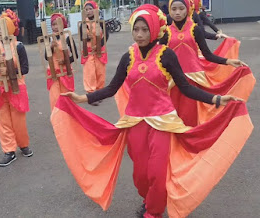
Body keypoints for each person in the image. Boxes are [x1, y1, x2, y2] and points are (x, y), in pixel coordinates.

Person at [50, 4, 253, 218]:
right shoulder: (128, 57)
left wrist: (217, 98)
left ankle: (153, 212)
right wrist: (82, 98)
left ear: (155, 30)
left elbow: (185, 87)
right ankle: (148, 200)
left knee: (157, 172)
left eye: (145, 30)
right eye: (136, 29)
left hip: (163, 121)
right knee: (140, 175)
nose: (139, 35)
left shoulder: (166, 55)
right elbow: (112, 88)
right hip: (135, 122)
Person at [159, 0, 254, 126]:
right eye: (174, 9)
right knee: (173, 116)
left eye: (181, 9)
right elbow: (158, 55)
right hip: (172, 81)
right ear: (169, 11)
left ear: (188, 10)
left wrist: (228, 61)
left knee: (189, 117)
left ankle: (190, 141)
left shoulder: (195, 29)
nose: (177, 12)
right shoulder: (166, 33)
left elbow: (207, 54)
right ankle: (175, 144)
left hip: (192, 79)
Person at [0, 9, 33, 167]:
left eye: (2, 26)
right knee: (3, 121)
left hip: (17, 88)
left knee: (18, 121)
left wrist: (9, 71)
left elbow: (25, 68)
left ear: (9, 27)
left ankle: (23, 144)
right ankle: (9, 150)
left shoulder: (19, 46)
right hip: (1, 88)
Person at [46, 13, 78, 110]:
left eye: (58, 24)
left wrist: (65, 61)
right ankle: (57, 119)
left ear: (63, 25)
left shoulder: (67, 37)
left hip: (65, 71)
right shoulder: (49, 38)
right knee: (54, 98)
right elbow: (46, 57)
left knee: (66, 97)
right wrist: (50, 47)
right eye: (53, 24)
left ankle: (68, 118)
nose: (55, 27)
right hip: (53, 72)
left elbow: (75, 56)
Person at [80, 1, 109, 106]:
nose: (88, 11)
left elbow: (106, 36)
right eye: (86, 9)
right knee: (90, 73)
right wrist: (86, 38)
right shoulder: (83, 24)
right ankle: (91, 96)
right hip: (88, 51)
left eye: (90, 9)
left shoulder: (101, 22)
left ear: (95, 9)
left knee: (100, 72)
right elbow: (80, 38)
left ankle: (99, 93)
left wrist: (99, 45)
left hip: (99, 51)